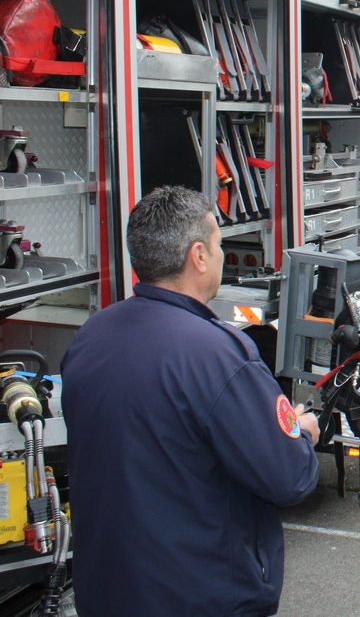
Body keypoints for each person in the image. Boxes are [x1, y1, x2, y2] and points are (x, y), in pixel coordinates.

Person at [62, 186, 319, 615]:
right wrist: (302, 434)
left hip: (106, 589)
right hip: (198, 594)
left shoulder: (93, 335)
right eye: (218, 244)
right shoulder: (219, 353)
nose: (220, 256)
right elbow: (288, 476)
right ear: (198, 256)